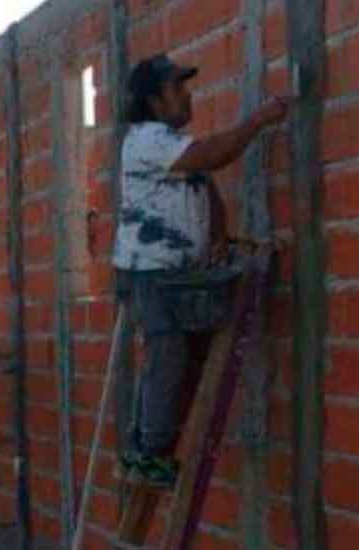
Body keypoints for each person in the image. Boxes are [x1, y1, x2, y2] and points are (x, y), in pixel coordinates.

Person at [112, 53, 293, 487]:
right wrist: (258, 121)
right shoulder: (146, 140)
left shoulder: (172, 144)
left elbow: (204, 186)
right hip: (152, 274)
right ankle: (149, 455)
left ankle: (147, 447)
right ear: (154, 101)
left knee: (174, 361)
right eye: (178, 88)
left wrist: (217, 236)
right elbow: (211, 157)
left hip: (176, 276)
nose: (187, 94)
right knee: (168, 359)